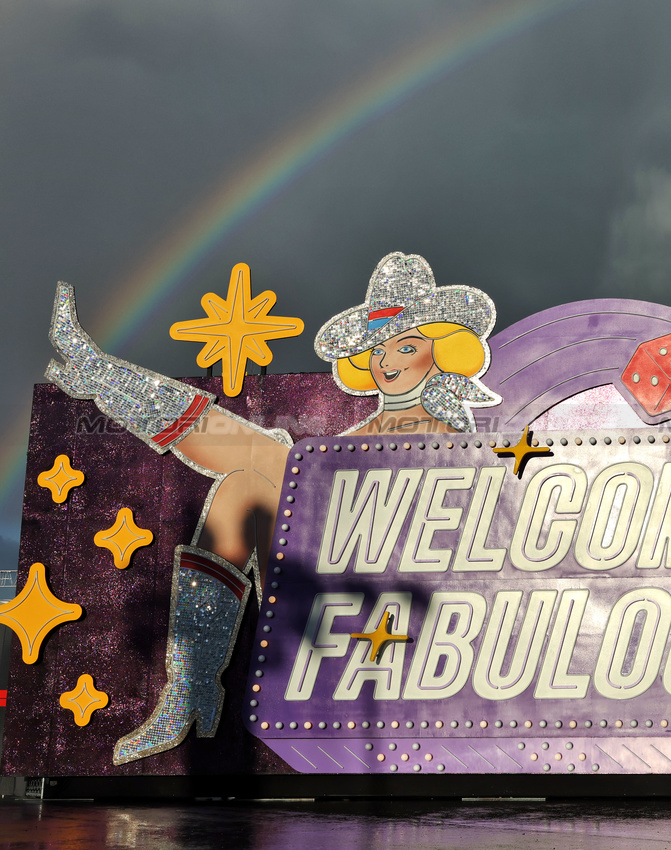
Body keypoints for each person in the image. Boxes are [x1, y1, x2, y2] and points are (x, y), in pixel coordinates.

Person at [45, 252, 500, 765]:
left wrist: (293, 464)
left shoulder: (449, 428)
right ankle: (191, 687)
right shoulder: (361, 434)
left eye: (407, 346)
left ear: (441, 352)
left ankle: (102, 378)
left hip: (388, 590)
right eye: (377, 349)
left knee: (267, 462)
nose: (388, 361)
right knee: (243, 485)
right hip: (322, 583)